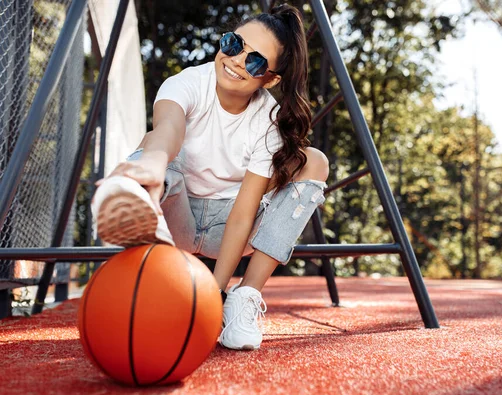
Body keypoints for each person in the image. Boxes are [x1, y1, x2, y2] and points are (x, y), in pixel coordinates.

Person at [91, 4, 329, 351]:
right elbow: (168, 129)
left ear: (271, 78)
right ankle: (141, 213)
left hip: (232, 229)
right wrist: (154, 163)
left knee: (315, 162)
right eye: (234, 44)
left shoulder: (267, 121)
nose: (235, 61)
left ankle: (242, 300)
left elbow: (242, 215)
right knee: (158, 149)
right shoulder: (187, 82)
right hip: (176, 212)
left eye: (255, 61)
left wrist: (214, 293)